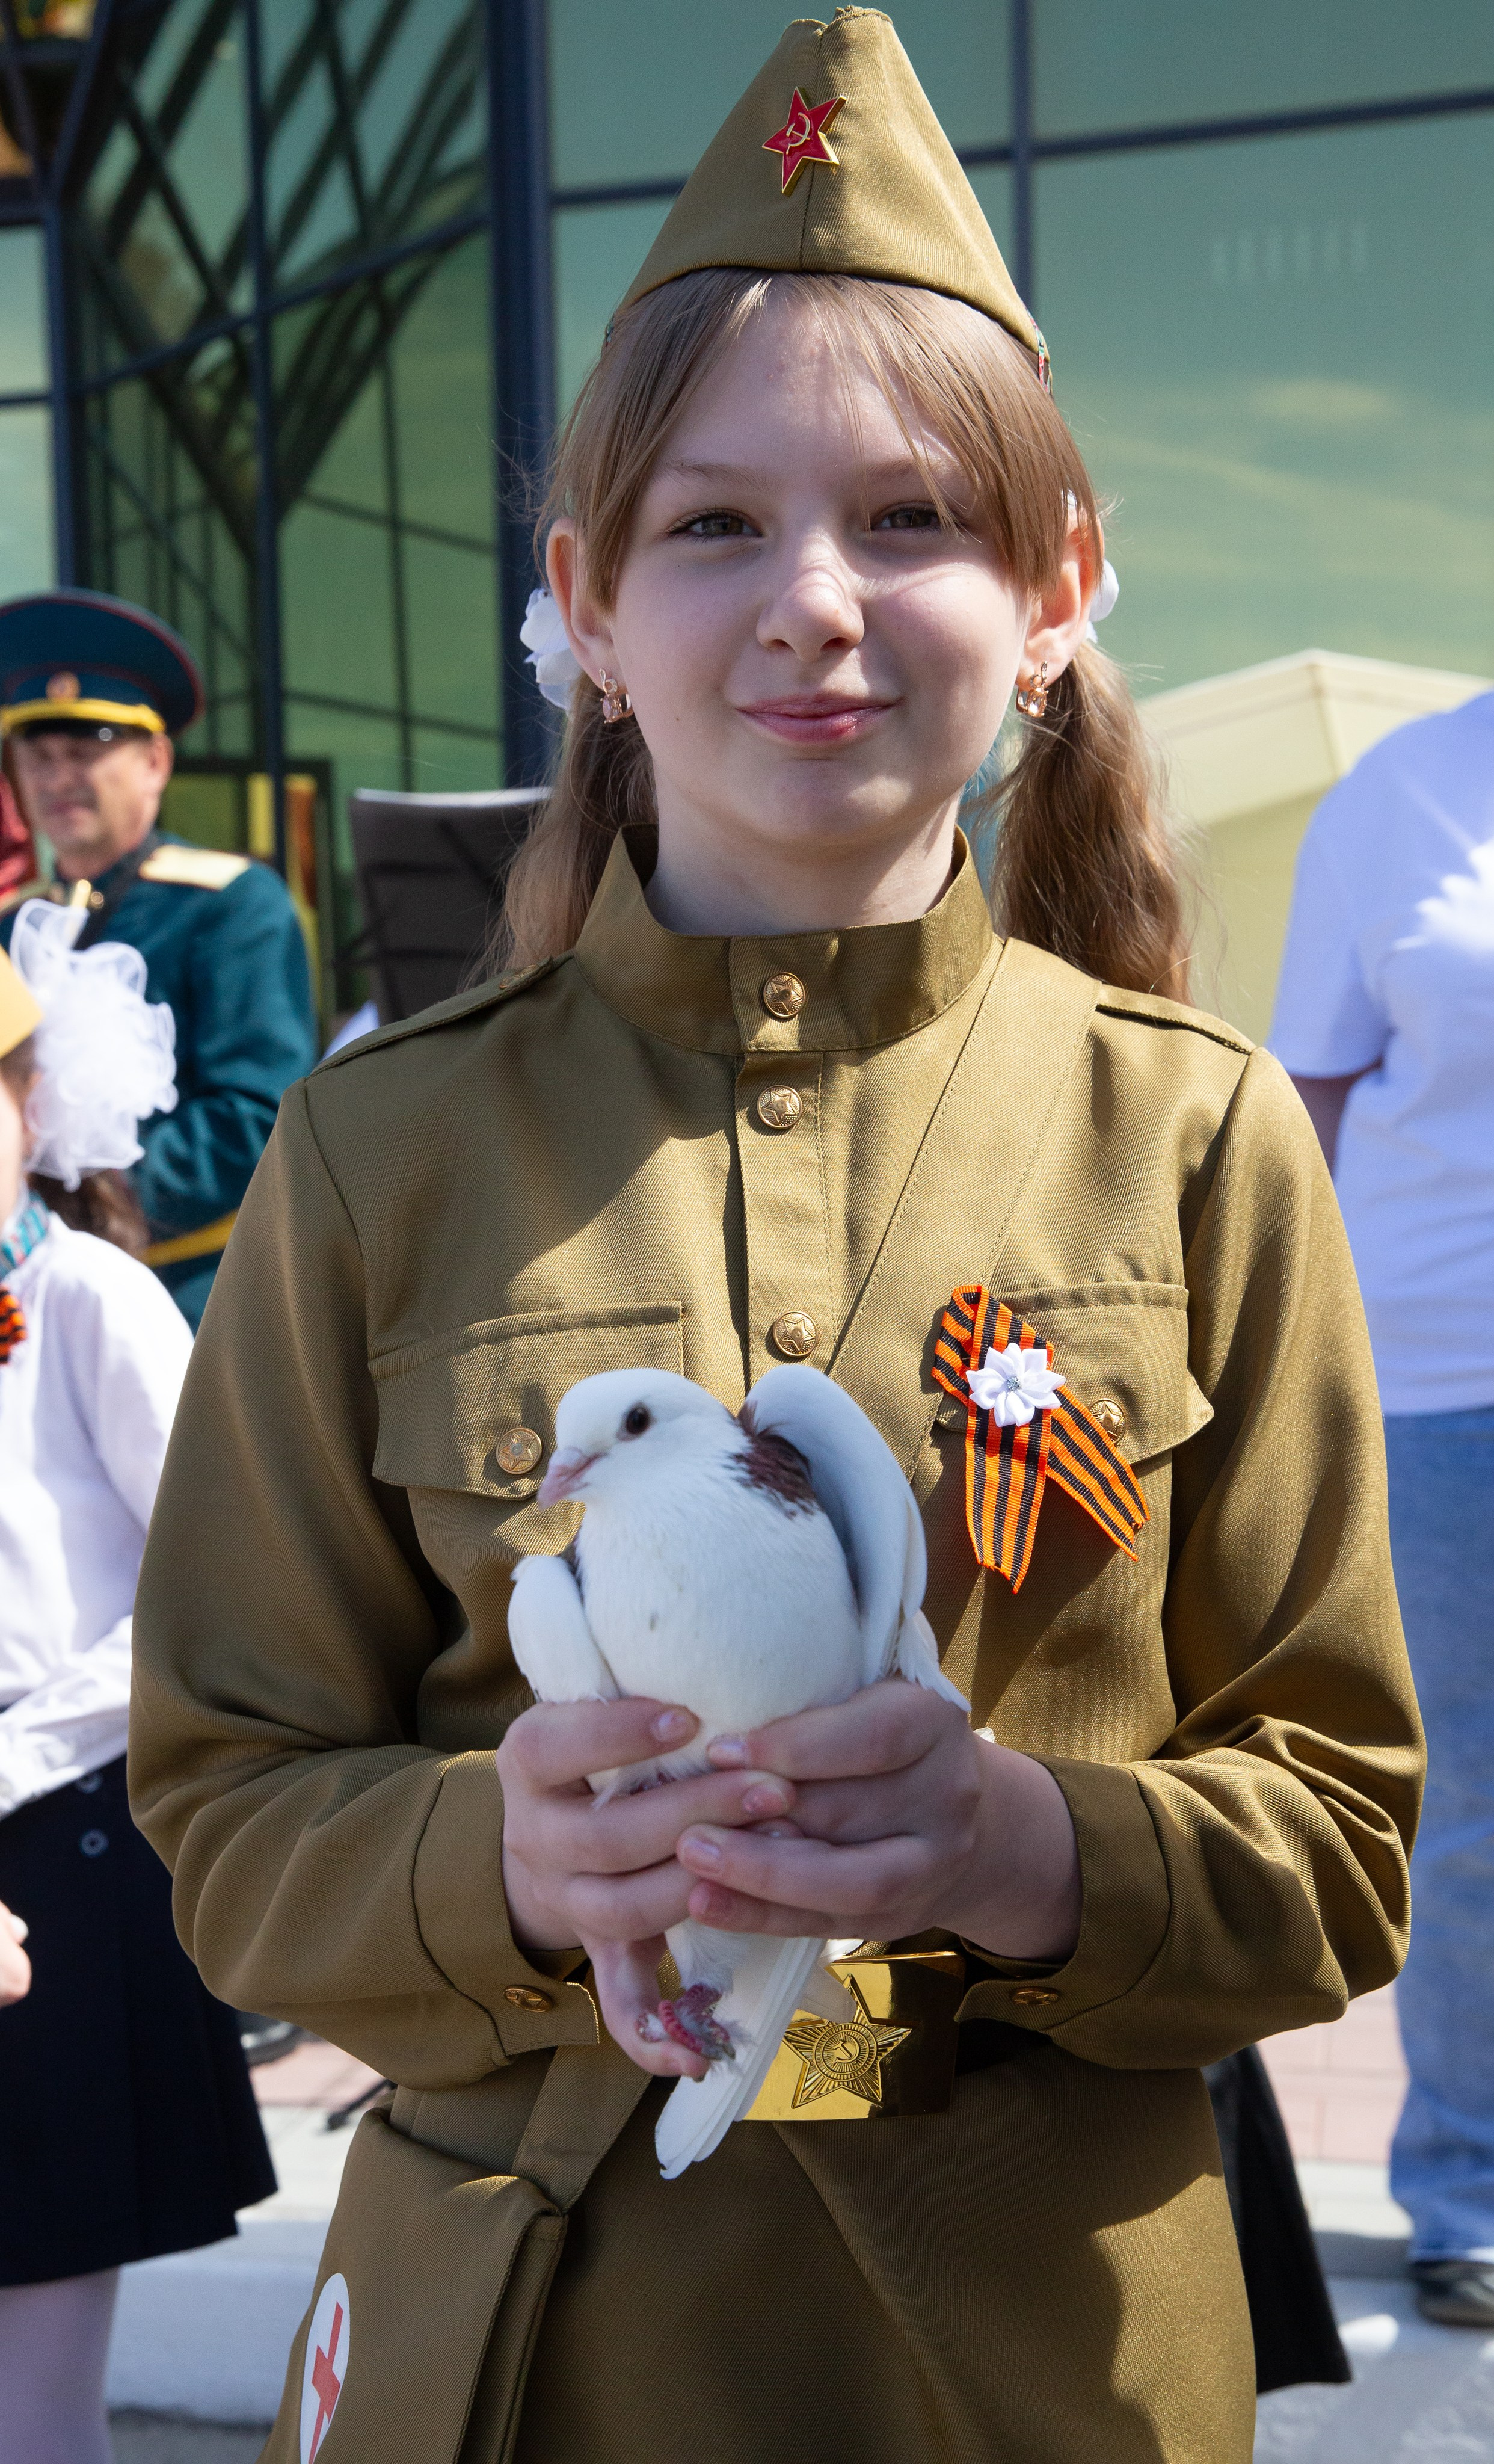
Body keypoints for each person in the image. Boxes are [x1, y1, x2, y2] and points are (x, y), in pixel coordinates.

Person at [129, 14, 1420, 2461]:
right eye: (715, 525)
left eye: (915, 519)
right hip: (536, 2350)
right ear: (587, 611)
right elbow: (225, 1802)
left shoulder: (1199, 1140)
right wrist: (484, 1851)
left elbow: (1342, 1826)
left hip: (1041, 2363)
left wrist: (1039, 1847)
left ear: (1058, 596)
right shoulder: (380, 1154)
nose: (817, 601)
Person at [0, 908, 275, 2464]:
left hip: (65, 1841)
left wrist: (10, 1757)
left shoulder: (95, 1300)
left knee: (34, 2397)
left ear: (35, 1101)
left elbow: (199, 1593)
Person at [1271, 686, 1494, 2326]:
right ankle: (1467, 2189)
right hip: (1438, 1381)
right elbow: (1316, 1099)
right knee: (1472, 1814)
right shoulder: (1396, 795)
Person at [0, 589, 319, 1328]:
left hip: (186, 1298)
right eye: (37, 755)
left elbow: (255, 1118)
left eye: (86, 750)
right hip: (30, 1292)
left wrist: (87, 1198)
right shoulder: (16, 924)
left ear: (155, 761)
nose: (57, 777)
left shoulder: (232, 903)